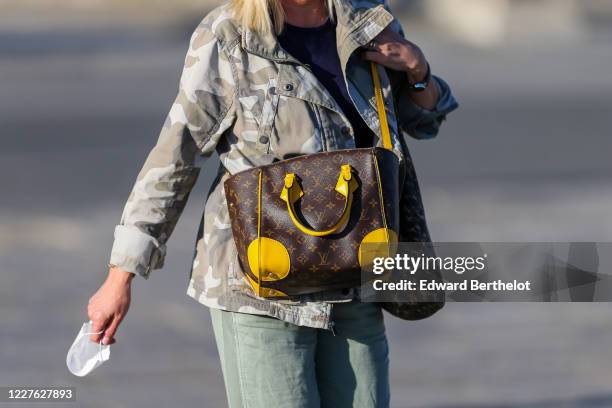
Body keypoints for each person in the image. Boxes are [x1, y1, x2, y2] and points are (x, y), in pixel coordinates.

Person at [86, 0, 458, 406]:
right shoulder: (229, 34)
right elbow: (177, 154)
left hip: (354, 275)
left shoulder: (369, 20)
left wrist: (418, 72)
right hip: (260, 283)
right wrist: (120, 275)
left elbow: (420, 122)